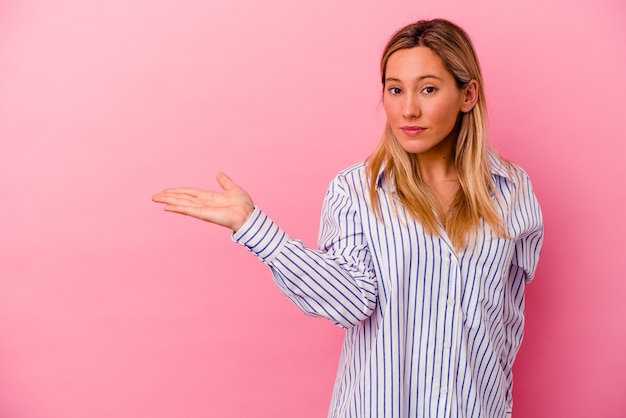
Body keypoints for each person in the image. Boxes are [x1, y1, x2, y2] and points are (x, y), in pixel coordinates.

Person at [152, 18, 543, 418]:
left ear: (467, 95)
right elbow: (352, 302)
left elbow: (506, 320)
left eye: (428, 89)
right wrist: (253, 227)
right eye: (395, 89)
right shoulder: (357, 191)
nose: (408, 109)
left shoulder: (512, 192)